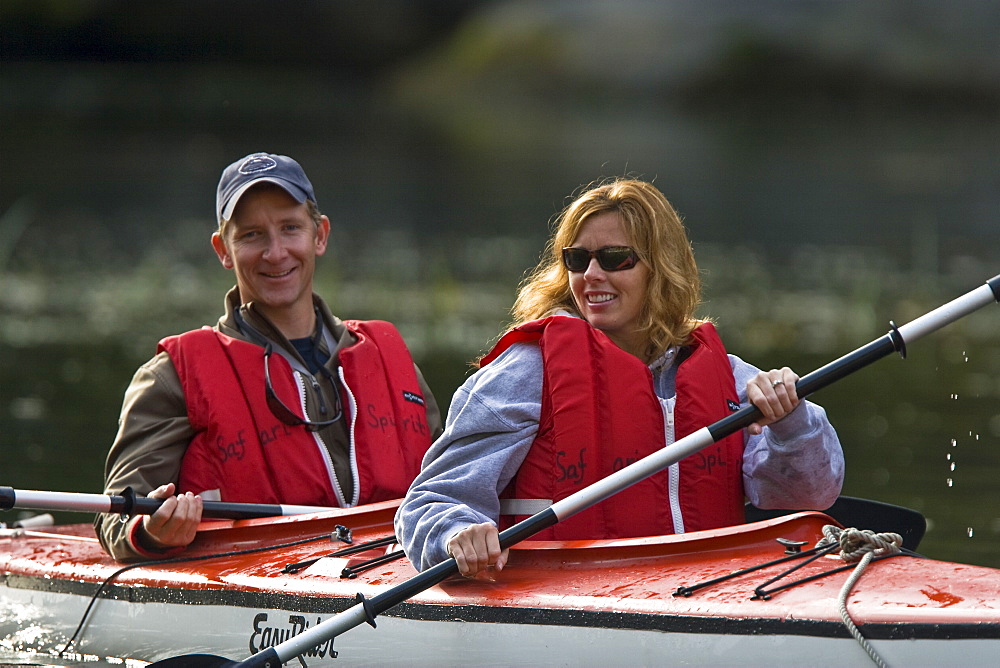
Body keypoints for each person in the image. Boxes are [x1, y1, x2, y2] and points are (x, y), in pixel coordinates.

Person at [395, 178, 844, 577]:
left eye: (614, 258)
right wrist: (455, 533)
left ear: (661, 267)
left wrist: (792, 424)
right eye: (577, 259)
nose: (592, 274)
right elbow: (432, 499)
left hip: (710, 589)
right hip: (569, 596)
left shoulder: (731, 378)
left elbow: (812, 494)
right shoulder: (525, 374)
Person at [96, 152, 442, 561]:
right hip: (252, 579)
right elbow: (115, 519)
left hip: (396, 570)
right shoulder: (170, 377)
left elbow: (452, 490)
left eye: (290, 228)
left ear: (320, 235)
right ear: (223, 250)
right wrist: (151, 530)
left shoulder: (389, 359)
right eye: (252, 235)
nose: (275, 253)